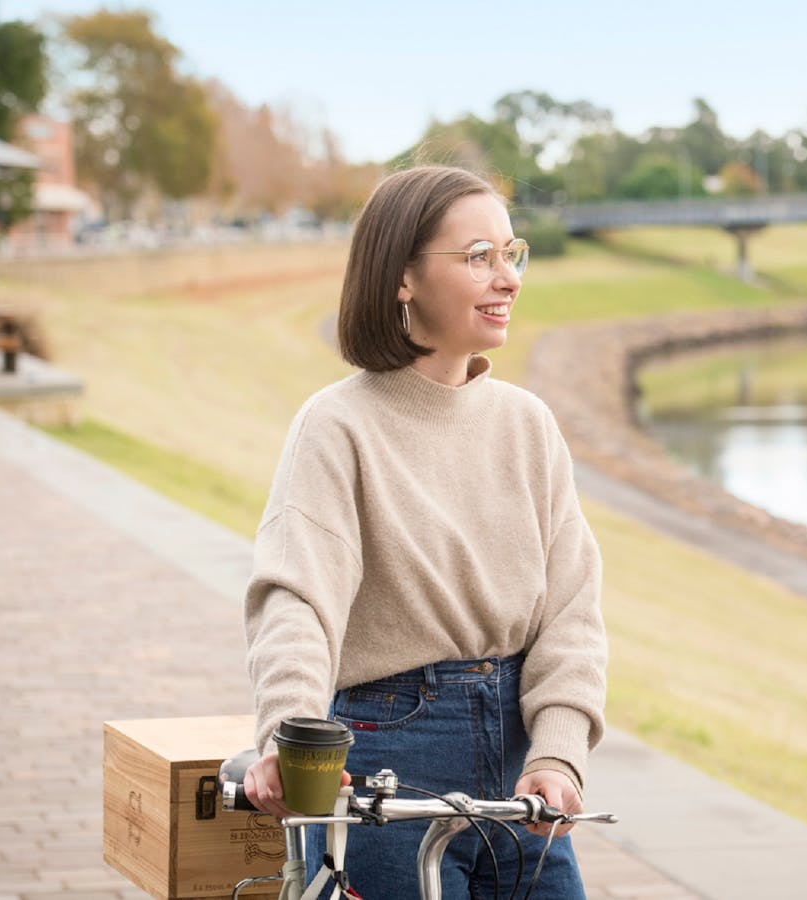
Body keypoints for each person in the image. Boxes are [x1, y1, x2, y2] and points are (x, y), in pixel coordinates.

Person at [241, 165, 607, 898]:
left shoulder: (528, 425)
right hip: (385, 754)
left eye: (512, 253)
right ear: (402, 277)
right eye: (478, 257)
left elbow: (572, 611)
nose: (507, 278)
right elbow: (297, 601)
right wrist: (288, 730)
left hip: (516, 766)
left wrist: (559, 754)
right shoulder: (337, 425)